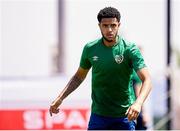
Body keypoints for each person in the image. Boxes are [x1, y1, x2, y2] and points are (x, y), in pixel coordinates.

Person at [49, 7, 152, 130]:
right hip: (99, 116)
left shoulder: (130, 49)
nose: (109, 30)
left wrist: (138, 104)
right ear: (99, 26)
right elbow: (78, 77)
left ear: (119, 25)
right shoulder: (90, 49)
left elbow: (147, 80)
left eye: (113, 25)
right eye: (105, 25)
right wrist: (60, 98)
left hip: (124, 116)